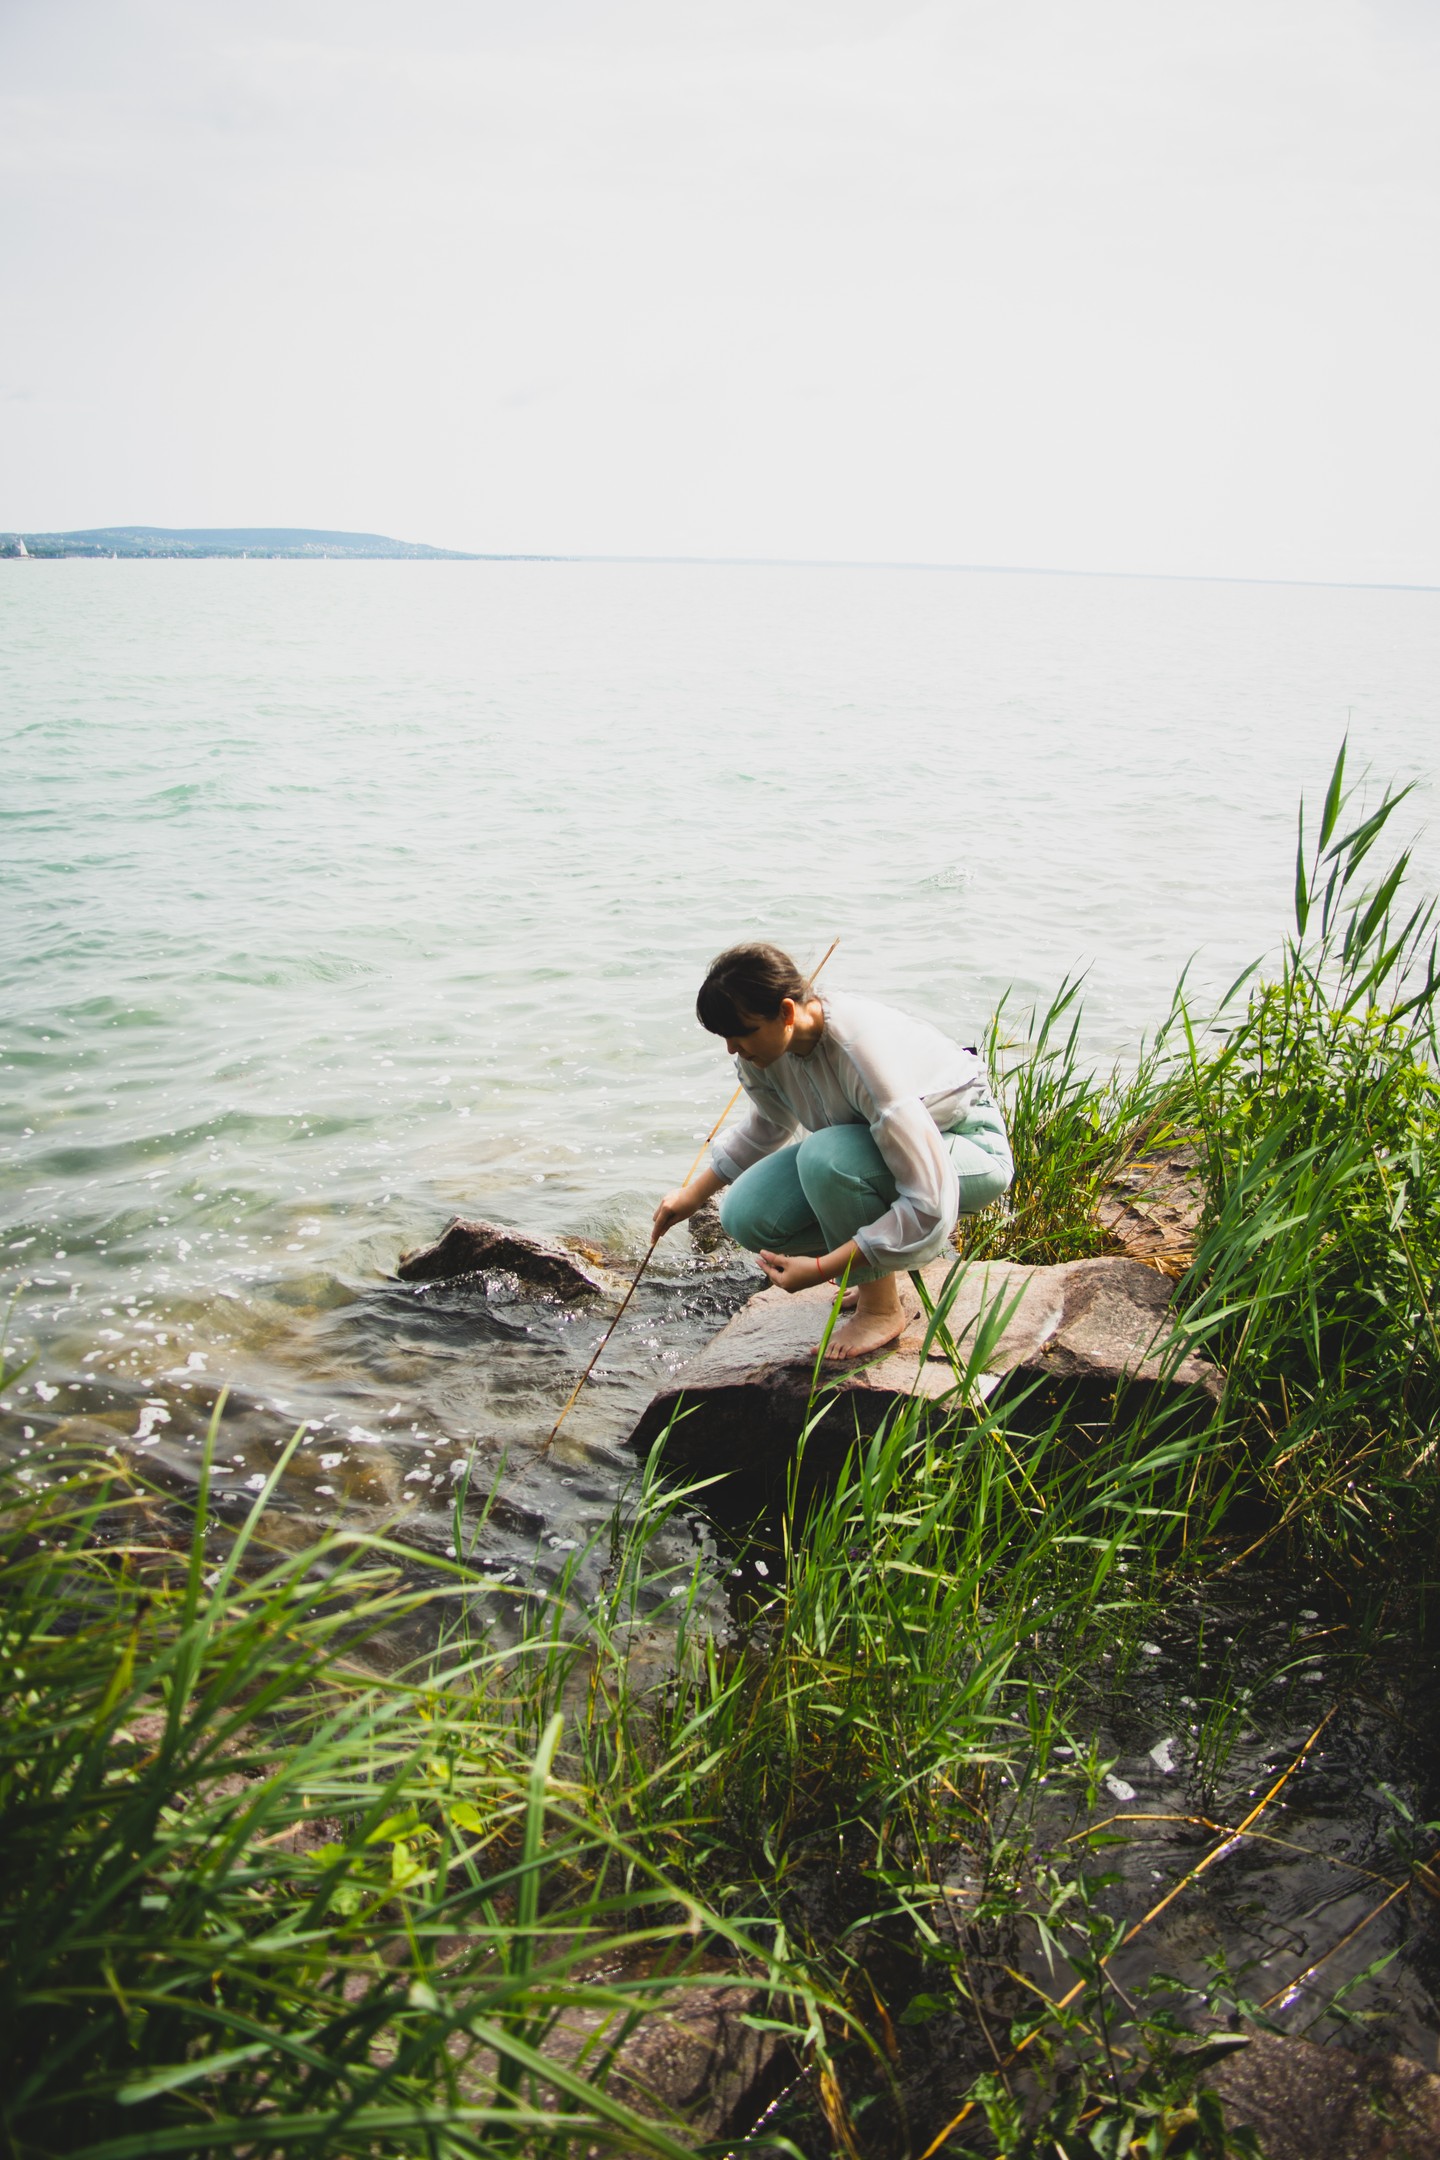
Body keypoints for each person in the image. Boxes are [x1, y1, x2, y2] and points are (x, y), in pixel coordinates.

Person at [652, 943, 1014, 1358]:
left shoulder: (859, 1050)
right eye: (725, 1038)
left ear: (787, 1012)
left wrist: (824, 1268)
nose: (733, 1049)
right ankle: (877, 1268)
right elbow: (769, 1124)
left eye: (742, 1034)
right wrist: (694, 1196)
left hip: (966, 1145)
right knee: (745, 1216)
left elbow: (929, 1199)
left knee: (825, 1157)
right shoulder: (762, 1052)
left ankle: (880, 1308)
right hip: (869, 1152)